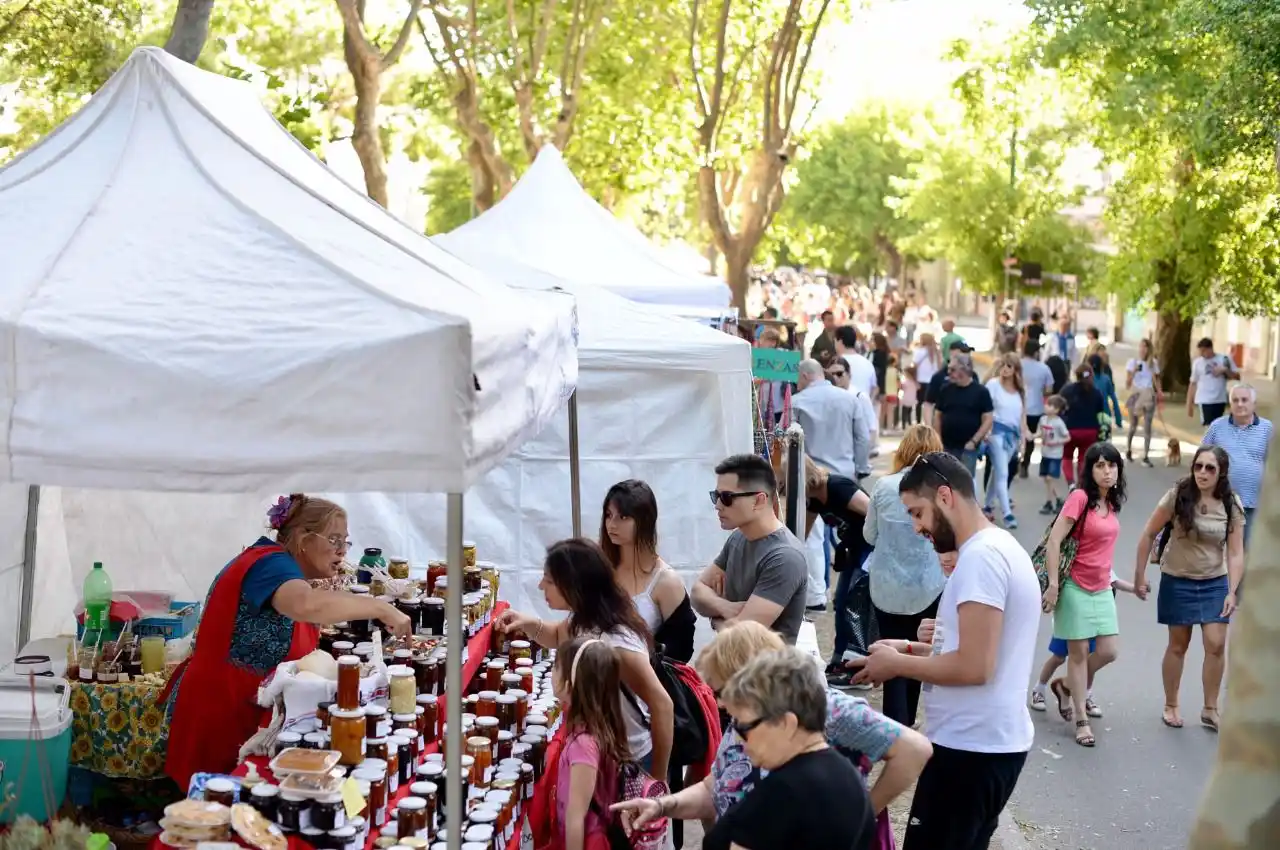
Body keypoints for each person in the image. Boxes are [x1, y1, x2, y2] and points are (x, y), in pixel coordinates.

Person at [852, 451, 1039, 850]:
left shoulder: (981, 559)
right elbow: (981, 650)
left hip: (971, 751)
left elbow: (975, 666)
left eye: (917, 513)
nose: (918, 527)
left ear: (944, 496)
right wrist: (911, 649)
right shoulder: (994, 549)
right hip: (980, 747)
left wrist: (898, 663)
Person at [162, 495, 412, 788]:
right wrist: (380, 607)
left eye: (345, 541)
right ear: (304, 538)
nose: (342, 551)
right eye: (333, 540)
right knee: (214, 809)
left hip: (245, 704)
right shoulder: (270, 565)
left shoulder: (281, 566)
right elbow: (305, 605)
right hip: (221, 709)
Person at [612, 622, 930, 841]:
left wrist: (865, 811)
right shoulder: (743, 720)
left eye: (723, 690)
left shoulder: (827, 710)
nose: (719, 703)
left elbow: (914, 749)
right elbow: (718, 785)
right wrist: (663, 806)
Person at [497, 539, 675, 778]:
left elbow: (662, 705)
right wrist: (527, 623)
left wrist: (658, 780)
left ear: (574, 585)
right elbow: (559, 634)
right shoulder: (583, 618)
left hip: (630, 761)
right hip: (601, 753)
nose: (541, 586)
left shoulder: (617, 642)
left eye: (549, 580)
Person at [701, 647, 877, 850]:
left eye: (744, 727)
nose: (739, 740)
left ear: (786, 724)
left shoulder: (783, 792)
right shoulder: (849, 776)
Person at [1133, 446, 1245, 732]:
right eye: (1198, 466)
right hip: (1178, 578)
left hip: (1214, 581)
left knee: (1216, 643)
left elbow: (1235, 553)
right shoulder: (1178, 496)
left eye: (1210, 468)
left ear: (1221, 474)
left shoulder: (1231, 504)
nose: (1202, 473)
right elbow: (1148, 533)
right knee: (1178, 645)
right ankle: (1171, 704)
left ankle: (1210, 708)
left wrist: (1232, 590)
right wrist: (1140, 575)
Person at [1039, 443, 1127, 747]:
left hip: (1102, 588)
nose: (1107, 471)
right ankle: (1080, 719)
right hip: (1074, 586)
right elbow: (1054, 541)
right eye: (1100, 465)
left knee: (1108, 651)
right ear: (1089, 470)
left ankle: (1065, 685)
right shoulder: (1080, 498)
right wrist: (1053, 585)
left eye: (1112, 465)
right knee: (1076, 655)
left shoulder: (1112, 502)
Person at [863, 425, 948, 728]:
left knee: (892, 651)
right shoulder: (941, 492)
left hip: (887, 585)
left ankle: (896, 725)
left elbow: (869, 535)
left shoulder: (884, 486)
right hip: (929, 584)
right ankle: (908, 719)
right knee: (918, 650)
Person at [692, 454, 808, 645]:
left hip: (766, 673)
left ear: (759, 501)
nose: (718, 505)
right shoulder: (739, 537)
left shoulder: (784, 557)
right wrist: (725, 607)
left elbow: (740, 637)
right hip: (734, 670)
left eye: (727, 497)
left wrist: (715, 617)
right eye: (716, 496)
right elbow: (697, 592)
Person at [550, 636, 639, 850]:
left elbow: (576, 817)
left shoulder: (584, 744)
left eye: (556, 667)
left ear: (570, 685)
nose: (552, 673)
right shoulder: (600, 726)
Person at [600, 480, 695, 661]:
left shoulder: (665, 581)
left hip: (644, 683)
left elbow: (681, 650)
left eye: (623, 517)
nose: (612, 524)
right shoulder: (599, 570)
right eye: (608, 515)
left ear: (645, 519)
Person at [1030, 571, 1134, 718]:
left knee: (1089, 661)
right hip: (1073, 617)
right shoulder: (1077, 560)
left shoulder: (1103, 564)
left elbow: (1116, 581)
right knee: (1059, 657)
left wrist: (1135, 588)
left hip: (1096, 619)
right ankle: (1039, 688)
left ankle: (1086, 695)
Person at [1202, 383, 1272, 549]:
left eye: (1244, 400)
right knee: (1214, 550)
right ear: (1230, 404)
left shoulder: (1268, 429)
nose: (1240, 404)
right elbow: (1201, 460)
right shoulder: (1217, 427)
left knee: (1245, 551)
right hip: (1220, 502)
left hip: (1253, 504)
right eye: (1235, 400)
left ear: (1253, 404)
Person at [791, 359, 866, 480]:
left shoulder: (795, 402)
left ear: (804, 376)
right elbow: (862, 438)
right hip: (845, 474)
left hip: (812, 477)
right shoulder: (851, 400)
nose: (797, 384)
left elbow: (786, 439)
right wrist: (861, 469)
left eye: (798, 379)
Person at [981, 353, 1029, 529]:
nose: (1005, 369)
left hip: (1013, 437)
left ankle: (987, 504)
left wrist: (1023, 439)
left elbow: (1022, 417)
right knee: (1003, 473)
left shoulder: (1020, 391)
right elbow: (984, 409)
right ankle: (1007, 513)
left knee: (997, 472)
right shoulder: (993, 385)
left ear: (1016, 369)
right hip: (996, 433)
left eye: (1009, 366)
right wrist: (984, 432)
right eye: (1003, 365)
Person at [932, 353, 993, 477]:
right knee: (945, 481)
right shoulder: (946, 389)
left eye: (953, 369)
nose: (948, 372)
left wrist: (974, 441)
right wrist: (938, 441)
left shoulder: (981, 392)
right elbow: (938, 416)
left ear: (965, 370)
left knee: (964, 483)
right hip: (946, 446)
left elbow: (988, 419)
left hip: (968, 448)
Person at [1059, 364, 1105, 488]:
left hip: (1070, 430)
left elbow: (1059, 406)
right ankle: (1082, 483)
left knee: (1067, 457)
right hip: (1090, 431)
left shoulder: (1067, 390)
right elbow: (1100, 412)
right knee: (1083, 459)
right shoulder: (1096, 393)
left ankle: (1071, 483)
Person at [1020, 340, 1054, 477]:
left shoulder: (1017, 366)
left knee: (1017, 436)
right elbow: (1049, 389)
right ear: (1036, 352)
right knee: (1030, 438)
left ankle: (1014, 460)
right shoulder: (1044, 368)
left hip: (1017, 407)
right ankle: (1025, 464)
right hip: (1035, 409)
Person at [1124, 338, 1161, 467]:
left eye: (1145, 347)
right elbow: (1127, 384)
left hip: (1149, 395)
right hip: (1135, 395)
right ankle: (1128, 449)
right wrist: (1133, 371)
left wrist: (1159, 394)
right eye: (1141, 346)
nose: (1142, 349)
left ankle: (1145, 455)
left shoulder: (1153, 363)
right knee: (1133, 426)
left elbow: (1156, 380)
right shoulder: (1132, 362)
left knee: (1147, 426)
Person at [1187, 337, 1239, 426]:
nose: (1202, 354)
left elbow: (1237, 376)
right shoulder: (1197, 363)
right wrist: (1189, 404)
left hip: (1220, 399)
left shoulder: (1224, 359)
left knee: (1217, 427)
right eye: (1200, 351)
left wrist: (1225, 370)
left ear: (1210, 349)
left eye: (1204, 351)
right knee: (1209, 427)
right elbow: (1193, 383)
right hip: (1204, 400)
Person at [1036, 395, 1070, 514]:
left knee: (1050, 478)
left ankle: (1049, 502)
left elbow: (1067, 437)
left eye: (1050, 405)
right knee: (1046, 479)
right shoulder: (1043, 419)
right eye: (1046, 404)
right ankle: (1059, 500)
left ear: (1056, 409)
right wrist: (1032, 436)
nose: (1046, 406)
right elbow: (1040, 432)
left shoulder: (1059, 423)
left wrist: (1056, 442)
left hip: (1055, 455)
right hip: (1045, 453)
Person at [1089, 353, 1123, 430]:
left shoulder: (1087, 381)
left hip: (1090, 416)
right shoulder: (1106, 379)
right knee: (1105, 439)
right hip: (1105, 415)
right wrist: (1118, 420)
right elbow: (1114, 400)